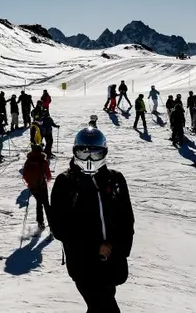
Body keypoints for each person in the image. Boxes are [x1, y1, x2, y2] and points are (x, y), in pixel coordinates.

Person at [50, 128, 134, 313]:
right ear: (75, 152)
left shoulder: (115, 179)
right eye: (83, 152)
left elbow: (126, 218)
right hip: (83, 263)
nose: (89, 160)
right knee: (106, 308)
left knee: (99, 305)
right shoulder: (66, 182)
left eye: (95, 153)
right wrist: (95, 247)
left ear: (104, 153)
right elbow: (59, 227)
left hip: (112, 260)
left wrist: (120, 250)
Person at [22, 144, 52, 230]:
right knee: (46, 204)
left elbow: (24, 175)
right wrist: (47, 179)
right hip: (42, 185)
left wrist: (30, 183)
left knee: (39, 203)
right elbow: (48, 175)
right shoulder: (43, 161)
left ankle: (40, 222)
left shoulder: (28, 161)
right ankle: (51, 224)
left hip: (33, 187)